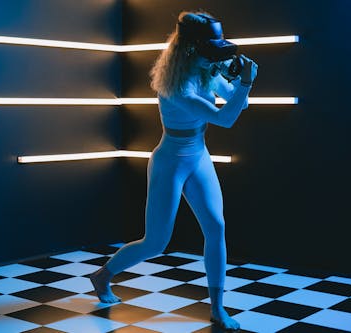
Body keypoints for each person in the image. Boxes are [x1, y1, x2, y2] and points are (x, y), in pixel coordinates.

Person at [89, 11, 258, 331]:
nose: (217, 51)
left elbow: (239, 103)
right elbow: (225, 118)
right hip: (170, 161)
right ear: (192, 49)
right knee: (155, 243)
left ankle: (218, 308)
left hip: (198, 155)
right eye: (211, 45)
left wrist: (236, 82)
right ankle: (102, 275)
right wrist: (245, 82)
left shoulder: (205, 69)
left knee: (216, 226)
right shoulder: (176, 86)